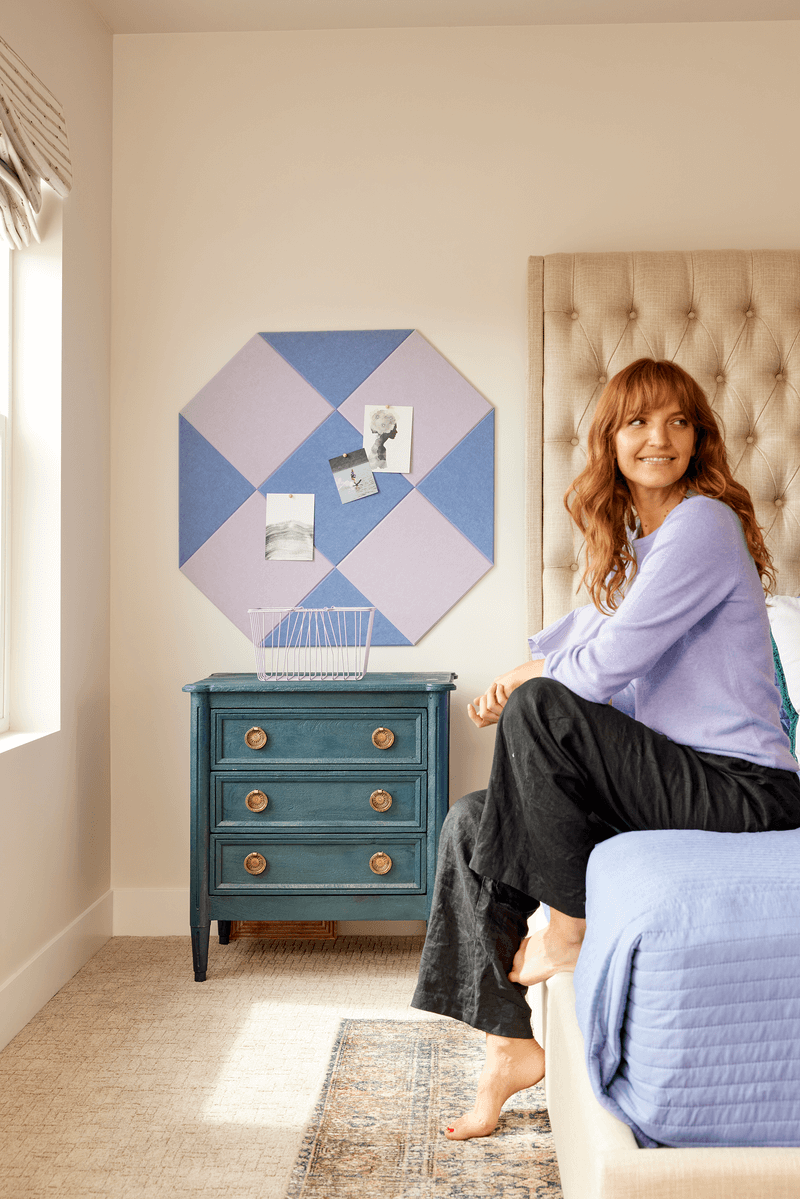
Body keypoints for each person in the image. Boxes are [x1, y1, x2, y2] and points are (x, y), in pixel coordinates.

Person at [410, 358, 800, 1141]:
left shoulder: (702, 523)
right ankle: (510, 1046)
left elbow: (597, 670)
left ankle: (571, 925)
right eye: (639, 422)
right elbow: (586, 646)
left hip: (748, 790)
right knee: (468, 822)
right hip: (678, 786)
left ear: (699, 438)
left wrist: (529, 681)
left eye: (679, 421)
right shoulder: (639, 548)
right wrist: (521, 678)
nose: (661, 438)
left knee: (545, 704)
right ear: (611, 441)